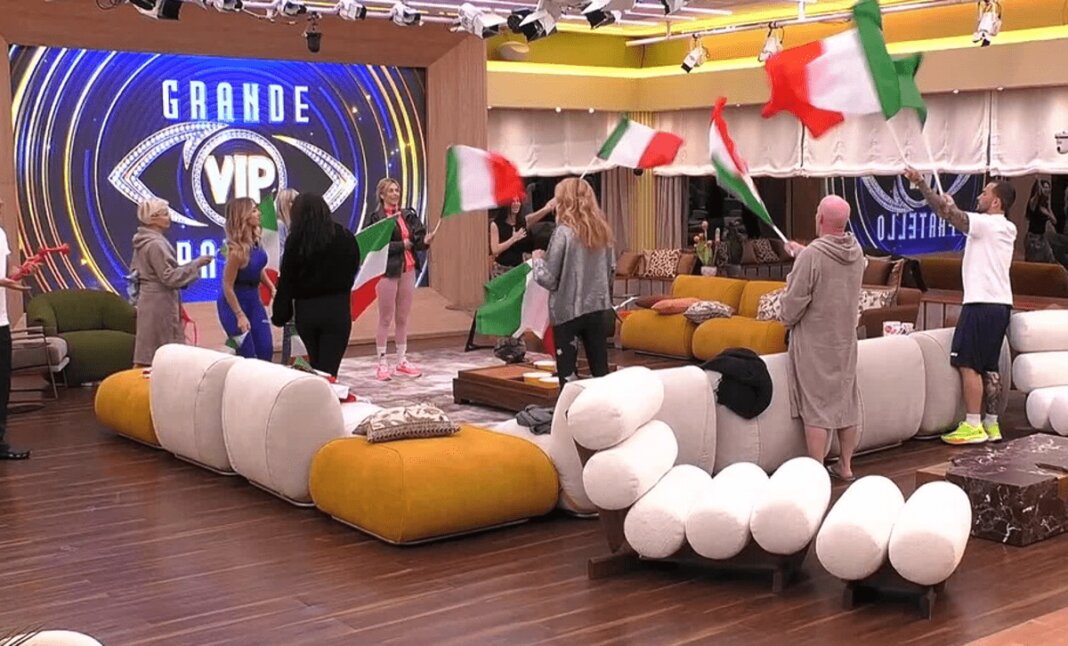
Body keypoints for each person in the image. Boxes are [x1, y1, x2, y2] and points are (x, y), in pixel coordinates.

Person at [906, 168, 1017, 445]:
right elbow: (952, 213)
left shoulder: (987, 224)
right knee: (989, 364)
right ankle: (991, 423)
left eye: (985, 193)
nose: (979, 196)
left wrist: (921, 184)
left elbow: (949, 215)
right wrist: (949, 207)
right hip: (1001, 304)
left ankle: (973, 423)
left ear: (996, 202)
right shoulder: (1007, 227)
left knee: (968, 363)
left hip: (980, 303)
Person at [779, 196, 865, 481]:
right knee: (846, 402)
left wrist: (800, 263)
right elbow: (830, 267)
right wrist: (802, 253)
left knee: (817, 407)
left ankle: (816, 469)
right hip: (845, 341)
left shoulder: (812, 256)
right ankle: (846, 465)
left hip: (815, 343)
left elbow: (793, 305)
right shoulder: (855, 250)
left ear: (821, 219)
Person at [531, 177, 615, 389]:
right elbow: (610, 271)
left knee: (568, 377)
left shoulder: (563, 233)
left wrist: (537, 261)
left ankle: (570, 409)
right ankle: (602, 408)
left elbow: (549, 279)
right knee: (601, 373)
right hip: (597, 309)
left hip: (567, 311)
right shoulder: (603, 231)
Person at [272, 193, 359, 377]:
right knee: (329, 370)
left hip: (307, 313)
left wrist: (280, 314)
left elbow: (287, 280)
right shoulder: (345, 236)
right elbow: (353, 269)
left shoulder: (296, 240)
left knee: (316, 364)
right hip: (337, 310)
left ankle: (318, 393)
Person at [130, 198, 212, 367]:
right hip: (159, 305)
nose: (170, 218)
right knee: (162, 354)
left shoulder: (143, 241)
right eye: (165, 214)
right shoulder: (156, 244)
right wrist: (196, 264)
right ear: (153, 218)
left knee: (150, 352)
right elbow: (169, 277)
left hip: (150, 302)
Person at [364, 178, 426, 381]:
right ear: (382, 195)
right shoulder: (376, 218)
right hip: (387, 271)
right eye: (390, 191)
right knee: (386, 317)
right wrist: (403, 245)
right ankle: (382, 362)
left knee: (402, 318)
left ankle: (401, 360)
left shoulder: (407, 215)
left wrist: (424, 241)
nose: (395, 194)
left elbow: (417, 240)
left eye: (397, 190)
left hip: (408, 268)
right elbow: (375, 246)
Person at [217, 197, 274, 361]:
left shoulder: (256, 243)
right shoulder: (236, 252)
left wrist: (271, 288)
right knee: (248, 354)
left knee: (265, 349)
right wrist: (240, 315)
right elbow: (227, 286)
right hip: (233, 305)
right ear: (244, 216)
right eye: (254, 210)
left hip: (254, 301)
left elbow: (256, 268)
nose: (259, 213)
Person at [0, 199, 33, 459]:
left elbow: (7, 269)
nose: (2, 201)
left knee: (2, 384)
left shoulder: (1, 234)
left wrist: (20, 271)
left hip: (1, 321)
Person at [489, 197, 557, 278]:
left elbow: (547, 208)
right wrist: (513, 238)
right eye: (513, 202)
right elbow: (495, 250)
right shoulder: (496, 225)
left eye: (518, 201)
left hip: (520, 269)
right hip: (502, 271)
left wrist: (560, 195)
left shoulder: (524, 221)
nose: (516, 204)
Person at [275, 188, 299, 364]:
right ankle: (287, 364)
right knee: (291, 327)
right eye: (293, 201)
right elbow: (281, 256)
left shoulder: (296, 227)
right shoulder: (280, 226)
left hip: (299, 281)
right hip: (288, 282)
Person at [1024, 179, 1056, 263]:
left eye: (1048, 188)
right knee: (1034, 262)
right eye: (1045, 187)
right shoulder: (1033, 203)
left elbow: (1054, 221)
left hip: (1042, 237)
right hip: (1033, 239)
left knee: (1050, 259)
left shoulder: (1045, 205)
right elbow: (1035, 199)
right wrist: (1038, 192)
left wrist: (1048, 211)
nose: (1047, 190)